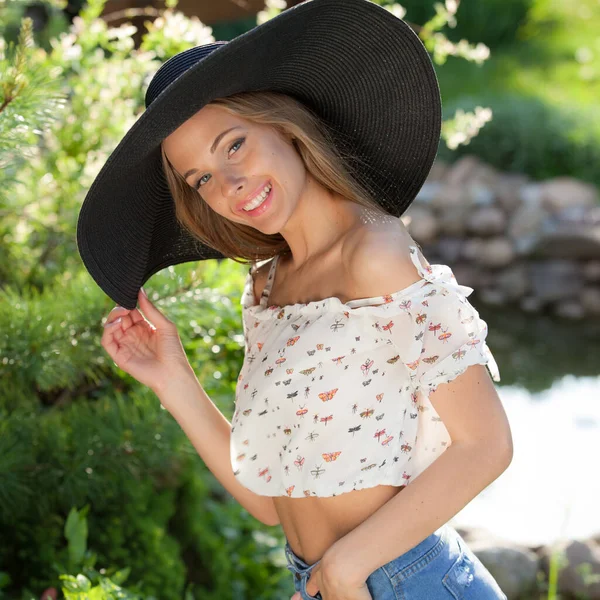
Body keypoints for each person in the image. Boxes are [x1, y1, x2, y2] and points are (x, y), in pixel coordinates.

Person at [78, 1, 513, 598]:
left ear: (283, 124)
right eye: (200, 178)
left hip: (407, 580)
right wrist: (173, 380)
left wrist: (346, 566)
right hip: (323, 582)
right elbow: (269, 498)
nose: (227, 186)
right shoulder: (267, 285)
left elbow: (486, 445)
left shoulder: (375, 254)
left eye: (233, 145)